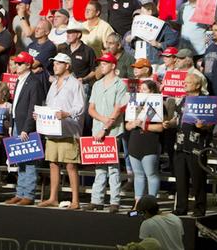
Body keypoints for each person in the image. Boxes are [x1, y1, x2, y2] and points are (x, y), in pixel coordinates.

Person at [38, 52, 85, 209]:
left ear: (67, 65)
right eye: (54, 63)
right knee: (53, 164)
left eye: (58, 63)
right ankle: (53, 197)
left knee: (71, 165)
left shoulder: (75, 84)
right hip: (53, 130)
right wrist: (40, 114)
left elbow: (80, 106)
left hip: (68, 130)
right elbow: (49, 105)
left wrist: (67, 114)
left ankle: (75, 200)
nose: (54, 65)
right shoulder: (53, 84)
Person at [87, 52, 127, 213]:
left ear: (113, 65)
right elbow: (91, 109)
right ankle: (96, 200)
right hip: (98, 130)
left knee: (113, 167)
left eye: (104, 63)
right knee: (99, 167)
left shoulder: (120, 84)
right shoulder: (97, 84)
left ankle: (114, 201)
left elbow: (118, 109)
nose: (101, 66)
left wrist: (106, 126)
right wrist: (103, 121)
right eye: (101, 63)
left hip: (112, 131)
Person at [4, 52, 45, 206]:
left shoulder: (34, 82)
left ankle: (28, 194)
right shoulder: (19, 80)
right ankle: (20, 192)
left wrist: (27, 129)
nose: (16, 65)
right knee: (19, 160)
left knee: (29, 161)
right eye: (16, 63)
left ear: (28, 65)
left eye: (20, 63)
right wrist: (12, 125)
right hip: (16, 124)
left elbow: (33, 107)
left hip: (25, 127)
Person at [171, 73, 213, 217]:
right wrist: (168, 123)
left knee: (198, 180)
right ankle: (181, 208)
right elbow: (176, 119)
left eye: (188, 83)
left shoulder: (206, 101)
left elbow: (211, 124)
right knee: (181, 179)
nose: (184, 84)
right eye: (184, 82)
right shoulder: (183, 100)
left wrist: (203, 126)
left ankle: (199, 209)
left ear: (197, 85)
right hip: (180, 145)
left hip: (197, 147)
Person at [125, 80, 174, 200]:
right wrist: (134, 124)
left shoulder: (159, 105)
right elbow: (127, 126)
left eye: (144, 89)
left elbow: (161, 127)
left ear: (152, 91)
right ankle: (138, 202)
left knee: (151, 174)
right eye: (140, 89)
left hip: (150, 142)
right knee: (138, 175)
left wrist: (145, 125)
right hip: (135, 141)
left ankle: (152, 202)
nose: (141, 91)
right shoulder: (134, 104)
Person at [125, 2, 179, 67]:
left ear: (149, 12)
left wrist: (159, 45)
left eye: (142, 12)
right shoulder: (138, 24)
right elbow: (133, 46)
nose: (140, 14)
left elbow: (174, 39)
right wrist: (130, 41)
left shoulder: (161, 25)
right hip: (140, 61)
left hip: (155, 61)